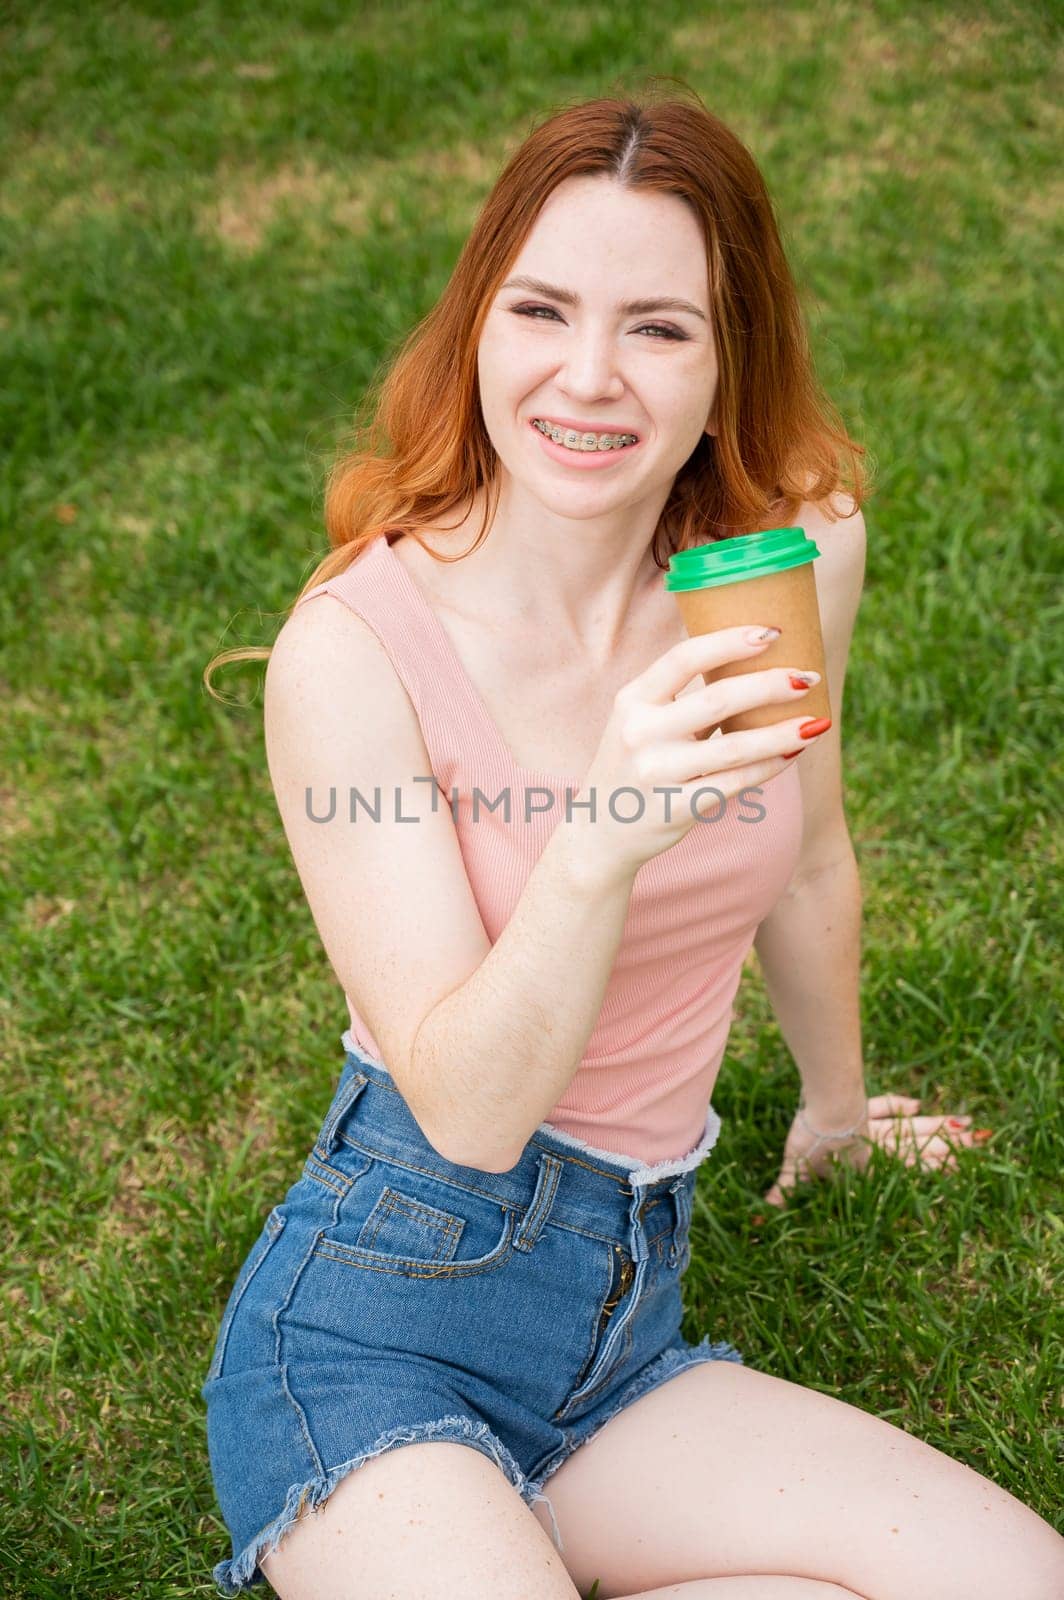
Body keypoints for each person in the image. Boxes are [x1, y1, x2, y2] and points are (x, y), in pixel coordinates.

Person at [201, 85, 1063, 1600]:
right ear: (478, 327)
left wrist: (837, 1118)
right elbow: (465, 1112)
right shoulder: (350, 655)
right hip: (376, 1326)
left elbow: (801, 855)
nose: (588, 377)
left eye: (659, 327)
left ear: (730, 361)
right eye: (541, 310)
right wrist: (601, 833)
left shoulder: (777, 570)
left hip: (618, 1342)